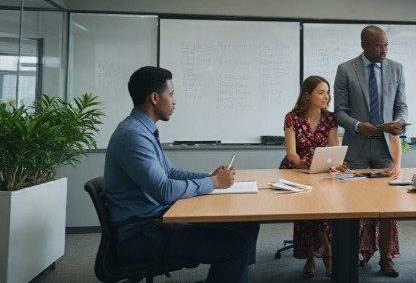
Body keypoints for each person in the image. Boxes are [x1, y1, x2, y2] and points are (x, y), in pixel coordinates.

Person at [104, 66, 260, 283]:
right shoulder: (132, 136)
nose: (175, 101)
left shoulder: (142, 130)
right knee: (236, 246)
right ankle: (232, 268)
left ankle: (231, 274)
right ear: (155, 98)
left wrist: (209, 176)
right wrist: (213, 182)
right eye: (172, 94)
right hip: (143, 234)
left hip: (156, 221)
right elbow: (165, 191)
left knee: (247, 224)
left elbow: (171, 172)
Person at [334, 25, 408, 277]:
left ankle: (386, 257)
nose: (384, 50)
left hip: (386, 146)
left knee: (387, 207)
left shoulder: (396, 68)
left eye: (386, 45)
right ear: (364, 44)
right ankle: (354, 252)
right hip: (357, 146)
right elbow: (340, 111)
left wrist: (398, 122)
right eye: (379, 45)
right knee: (354, 204)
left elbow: (402, 106)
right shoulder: (345, 70)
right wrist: (356, 125)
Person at [279, 75, 340, 278]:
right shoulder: (292, 117)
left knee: (322, 211)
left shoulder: (330, 118)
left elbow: (334, 149)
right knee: (307, 213)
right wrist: (305, 164)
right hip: (297, 170)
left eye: (327, 92)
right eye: (321, 92)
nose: (327, 97)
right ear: (307, 95)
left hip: (321, 171)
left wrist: (333, 164)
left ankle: (321, 254)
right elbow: (291, 154)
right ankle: (317, 256)